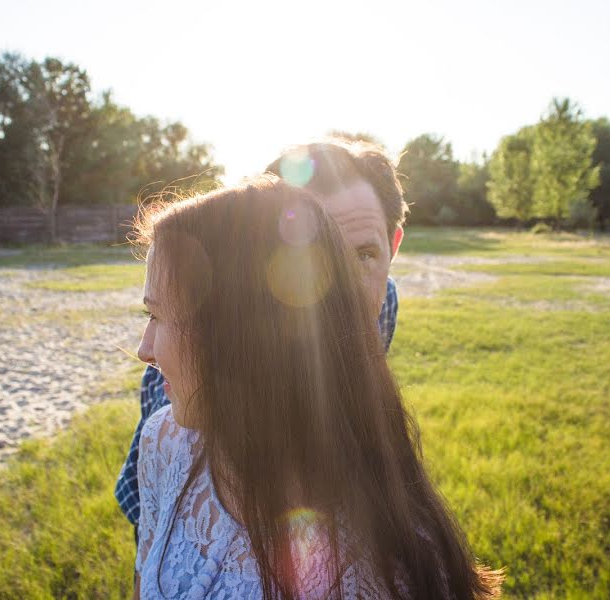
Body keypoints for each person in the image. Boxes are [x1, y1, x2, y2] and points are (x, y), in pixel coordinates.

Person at [132, 176, 501, 599]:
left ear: (242, 334)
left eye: (158, 317)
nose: (144, 350)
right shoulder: (164, 443)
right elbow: (143, 576)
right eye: (148, 314)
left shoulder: (376, 568)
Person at [115, 139, 405, 546]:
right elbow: (163, 505)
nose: (341, 292)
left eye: (362, 256)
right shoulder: (191, 364)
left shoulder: (383, 303)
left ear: (392, 246)